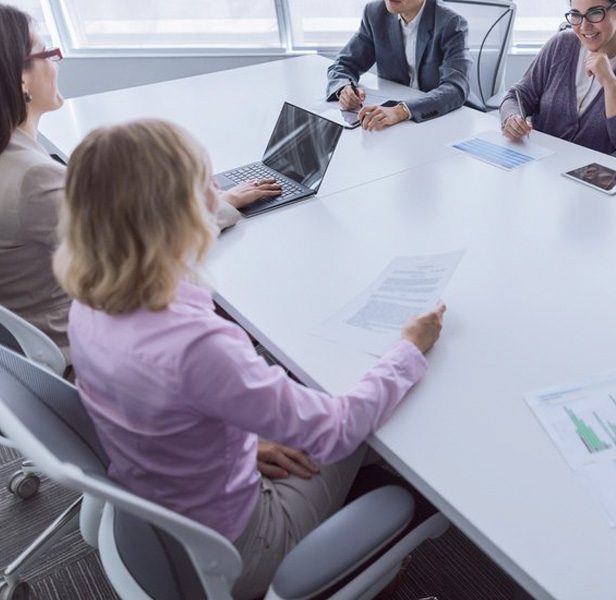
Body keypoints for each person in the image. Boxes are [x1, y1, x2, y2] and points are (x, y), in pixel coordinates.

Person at [54, 118, 447, 599]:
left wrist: (241, 443)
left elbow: (162, 411)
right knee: (373, 402)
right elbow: (337, 429)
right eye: (207, 182)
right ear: (176, 214)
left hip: (166, 511)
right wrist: (406, 349)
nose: (217, 189)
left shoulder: (88, 304)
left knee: (305, 378)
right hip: (242, 552)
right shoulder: (198, 346)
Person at [0, 4, 279, 354]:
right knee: (243, 309)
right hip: (82, 349)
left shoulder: (15, 158)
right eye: (49, 53)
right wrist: (217, 206)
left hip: (44, 336)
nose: (57, 63)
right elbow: (141, 256)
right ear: (22, 79)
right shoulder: (33, 178)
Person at [499, 0, 616, 158]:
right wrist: (512, 117)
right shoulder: (561, 44)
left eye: (595, 13)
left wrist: (610, 83)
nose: (584, 27)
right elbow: (517, 96)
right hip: (539, 166)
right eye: (576, 15)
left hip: (591, 179)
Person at [326, 0, 470, 131]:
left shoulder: (451, 22)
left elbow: (456, 88)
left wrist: (401, 111)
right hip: (397, 125)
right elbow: (344, 64)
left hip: (446, 118)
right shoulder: (375, 13)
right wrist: (344, 89)